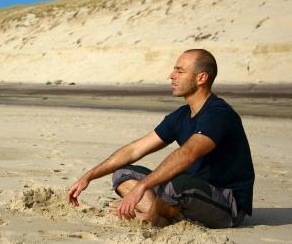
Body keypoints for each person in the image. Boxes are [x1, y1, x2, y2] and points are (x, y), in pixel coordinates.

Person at [67, 49, 255, 228]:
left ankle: (154, 216)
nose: (171, 75)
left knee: (175, 184)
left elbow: (188, 154)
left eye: (179, 71)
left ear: (201, 78)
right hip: (189, 192)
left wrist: (142, 187)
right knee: (122, 173)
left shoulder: (218, 113)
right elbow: (135, 150)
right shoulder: (181, 115)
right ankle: (166, 212)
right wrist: (89, 176)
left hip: (227, 204)